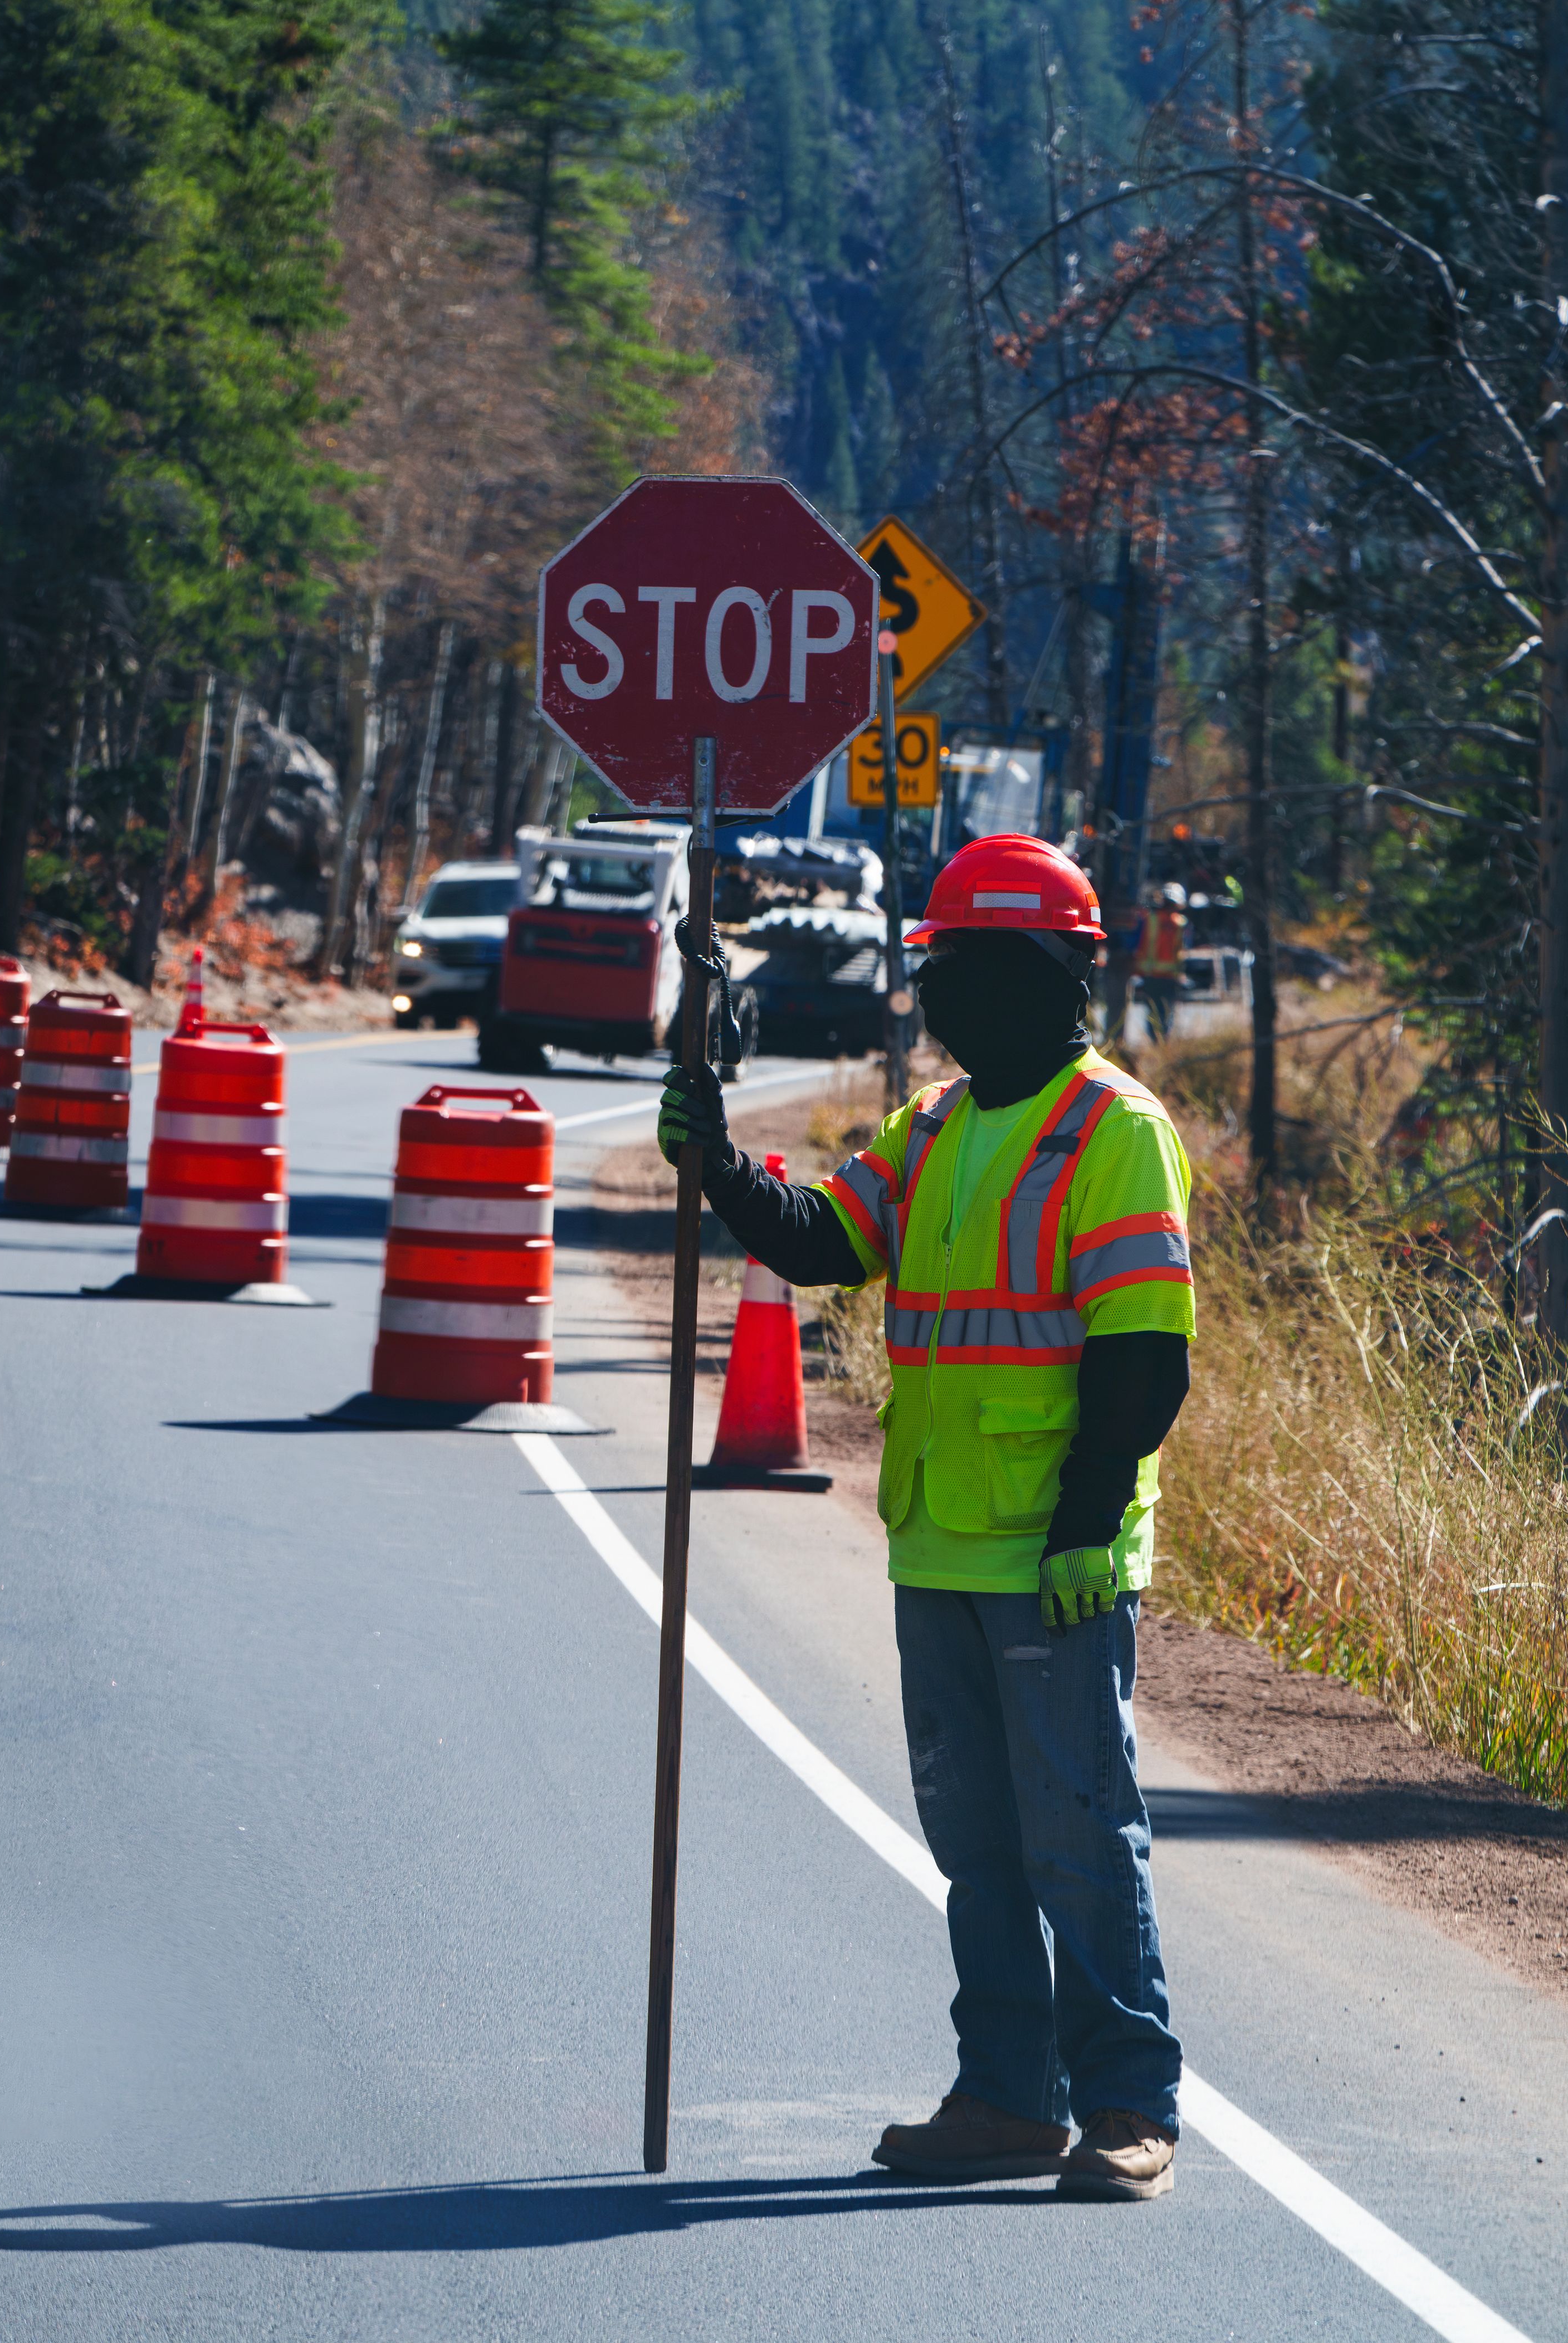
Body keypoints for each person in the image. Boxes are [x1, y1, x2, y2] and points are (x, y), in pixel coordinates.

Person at [658, 831, 1194, 2203]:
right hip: (937, 1540)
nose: (941, 989)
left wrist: (1086, 1526)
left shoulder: (1111, 1132)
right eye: (937, 964)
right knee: (976, 1845)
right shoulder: (936, 1124)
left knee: (1077, 1836)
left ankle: (1125, 2108)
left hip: (1052, 1555)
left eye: (962, 963)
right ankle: (1007, 2097)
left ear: (1040, 972)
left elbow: (1141, 1357)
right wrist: (717, 1163)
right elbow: (825, 1239)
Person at [1134, 886, 1188, 1042]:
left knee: (1154, 1013)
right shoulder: (1180, 923)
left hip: (1153, 975)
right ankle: (1160, 1042)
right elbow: (1180, 951)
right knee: (1165, 1013)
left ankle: (1156, 1042)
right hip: (1167, 976)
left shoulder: (1150, 919)